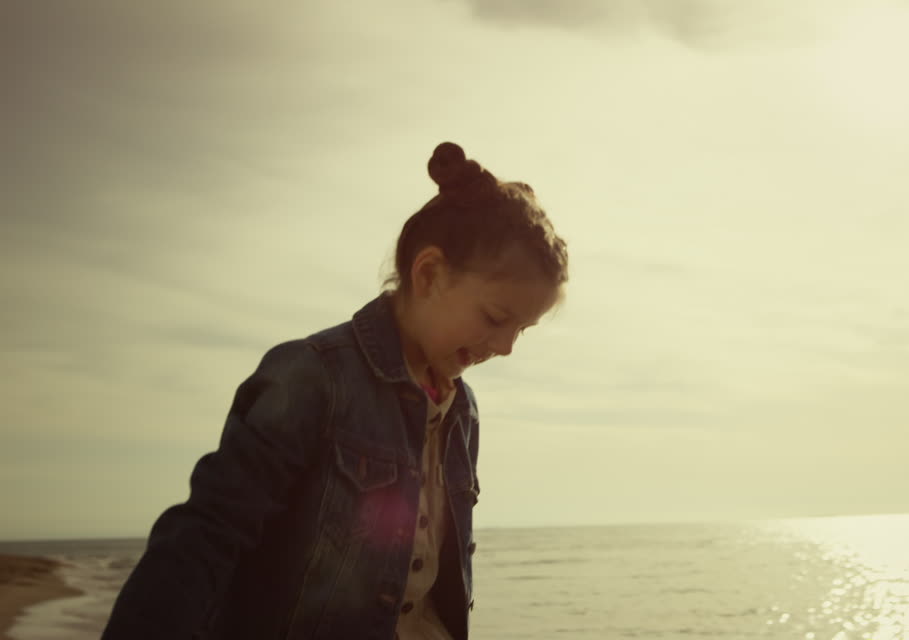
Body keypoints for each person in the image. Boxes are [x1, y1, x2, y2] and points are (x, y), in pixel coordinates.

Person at [101, 142, 569, 640]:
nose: (505, 347)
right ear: (429, 274)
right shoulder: (313, 377)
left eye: (522, 330)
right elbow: (206, 539)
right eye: (496, 319)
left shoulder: (462, 410)